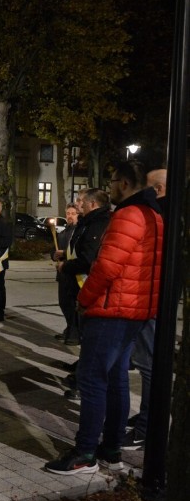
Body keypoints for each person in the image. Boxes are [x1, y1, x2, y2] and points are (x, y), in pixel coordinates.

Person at [46, 161, 163, 475]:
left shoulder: (128, 215)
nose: (110, 186)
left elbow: (107, 268)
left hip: (112, 310)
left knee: (92, 380)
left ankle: (85, 453)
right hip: (135, 310)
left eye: (112, 181)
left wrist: (84, 300)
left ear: (123, 183)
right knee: (116, 380)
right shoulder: (154, 215)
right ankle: (111, 449)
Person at [122, 168, 168, 451]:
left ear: (159, 189)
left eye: (147, 189)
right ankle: (148, 417)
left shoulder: (158, 214)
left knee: (149, 365)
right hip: (150, 296)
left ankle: (147, 427)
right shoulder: (160, 212)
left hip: (150, 298)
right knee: (148, 363)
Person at [58, 189, 111, 400]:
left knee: (91, 341)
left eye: (81, 201)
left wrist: (67, 266)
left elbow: (89, 259)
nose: (77, 204)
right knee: (86, 337)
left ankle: (84, 384)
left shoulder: (98, 224)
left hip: (88, 286)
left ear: (92, 203)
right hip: (79, 286)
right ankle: (81, 375)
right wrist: (64, 255)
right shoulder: (87, 222)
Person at [51, 203, 80, 345]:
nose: (69, 216)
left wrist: (64, 254)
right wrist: (54, 255)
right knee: (63, 303)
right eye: (68, 213)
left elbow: (77, 252)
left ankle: (74, 333)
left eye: (73, 213)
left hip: (72, 274)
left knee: (71, 304)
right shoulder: (62, 233)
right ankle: (70, 328)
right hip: (62, 274)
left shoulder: (78, 232)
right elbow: (54, 250)